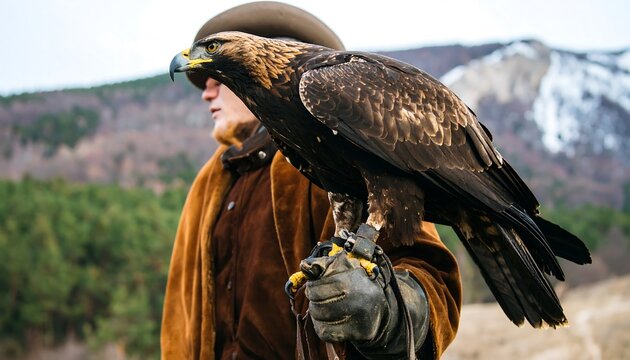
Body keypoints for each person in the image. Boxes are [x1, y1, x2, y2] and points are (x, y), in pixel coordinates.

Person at [161, 2, 462, 359]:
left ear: (257, 67)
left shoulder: (340, 150)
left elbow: (430, 276)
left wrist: (387, 316)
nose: (206, 93)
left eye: (217, 79)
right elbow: (180, 320)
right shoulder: (209, 181)